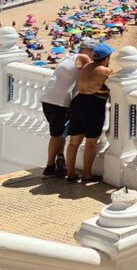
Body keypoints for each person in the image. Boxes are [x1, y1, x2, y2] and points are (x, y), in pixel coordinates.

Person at [39, 39, 96, 177]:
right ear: (87, 50)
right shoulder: (84, 58)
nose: (95, 55)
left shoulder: (69, 57)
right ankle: (49, 166)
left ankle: (60, 159)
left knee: (61, 132)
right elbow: (92, 72)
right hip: (59, 101)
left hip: (47, 98)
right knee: (56, 135)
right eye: (94, 52)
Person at [65, 43, 114, 182]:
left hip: (78, 102)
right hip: (92, 106)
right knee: (91, 142)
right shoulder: (105, 71)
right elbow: (115, 78)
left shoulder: (86, 67)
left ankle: (70, 173)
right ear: (106, 58)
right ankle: (87, 175)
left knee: (73, 142)